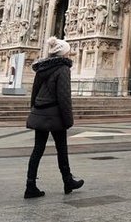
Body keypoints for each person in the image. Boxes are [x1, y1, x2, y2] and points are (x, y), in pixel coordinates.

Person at [24, 36, 85, 198]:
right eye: (68, 52)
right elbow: (64, 97)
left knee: (38, 149)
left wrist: (34, 110)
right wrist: (68, 120)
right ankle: (67, 181)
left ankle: (30, 185)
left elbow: (34, 92)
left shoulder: (42, 67)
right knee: (62, 149)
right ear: (63, 53)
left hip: (40, 112)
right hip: (55, 115)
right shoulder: (63, 69)